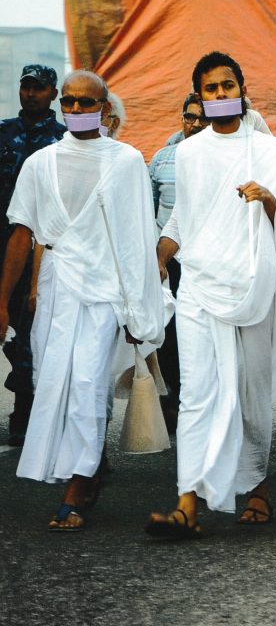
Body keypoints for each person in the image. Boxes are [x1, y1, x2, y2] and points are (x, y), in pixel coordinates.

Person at [146, 51, 276, 538]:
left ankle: (256, 486)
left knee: (248, 391)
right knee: (197, 393)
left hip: (252, 287)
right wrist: (161, 254)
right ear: (199, 97)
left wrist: (269, 200)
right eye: (211, 89)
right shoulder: (188, 153)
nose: (220, 94)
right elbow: (183, 216)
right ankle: (188, 502)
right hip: (200, 286)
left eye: (227, 86)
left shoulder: (271, 151)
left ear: (242, 91)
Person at [0, 70, 165, 530]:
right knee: (54, 380)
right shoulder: (40, 163)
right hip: (57, 287)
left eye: (85, 102)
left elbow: (136, 238)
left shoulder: (126, 161)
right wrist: (6, 299)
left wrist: (137, 310)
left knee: (89, 383)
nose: (75, 109)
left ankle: (77, 484)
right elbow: (23, 233)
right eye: (69, 102)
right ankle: (87, 468)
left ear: (104, 108)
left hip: (105, 290)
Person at [0, 64, 66, 447]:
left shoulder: (63, 139)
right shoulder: (3, 133)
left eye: (39, 88)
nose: (31, 94)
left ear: (53, 93)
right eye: (26, 87)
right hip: (3, 244)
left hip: (39, 248)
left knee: (28, 333)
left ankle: (25, 410)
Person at [148, 93, 208, 426]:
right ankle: (172, 399)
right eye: (190, 117)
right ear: (182, 118)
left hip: (205, 261)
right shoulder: (161, 160)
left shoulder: (221, 159)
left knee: (199, 335)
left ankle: (198, 400)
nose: (195, 124)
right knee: (167, 334)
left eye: (202, 118)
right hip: (167, 262)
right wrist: (152, 260)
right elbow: (147, 211)